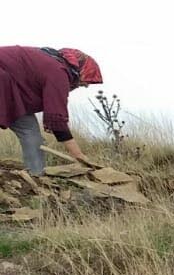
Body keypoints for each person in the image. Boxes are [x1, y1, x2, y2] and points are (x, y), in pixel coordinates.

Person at [0, 46, 104, 177]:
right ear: (81, 70)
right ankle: (35, 174)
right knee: (30, 133)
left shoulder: (52, 63)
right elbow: (56, 118)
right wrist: (78, 155)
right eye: (86, 81)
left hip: (11, 92)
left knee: (31, 134)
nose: (85, 85)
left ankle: (35, 178)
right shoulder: (58, 72)